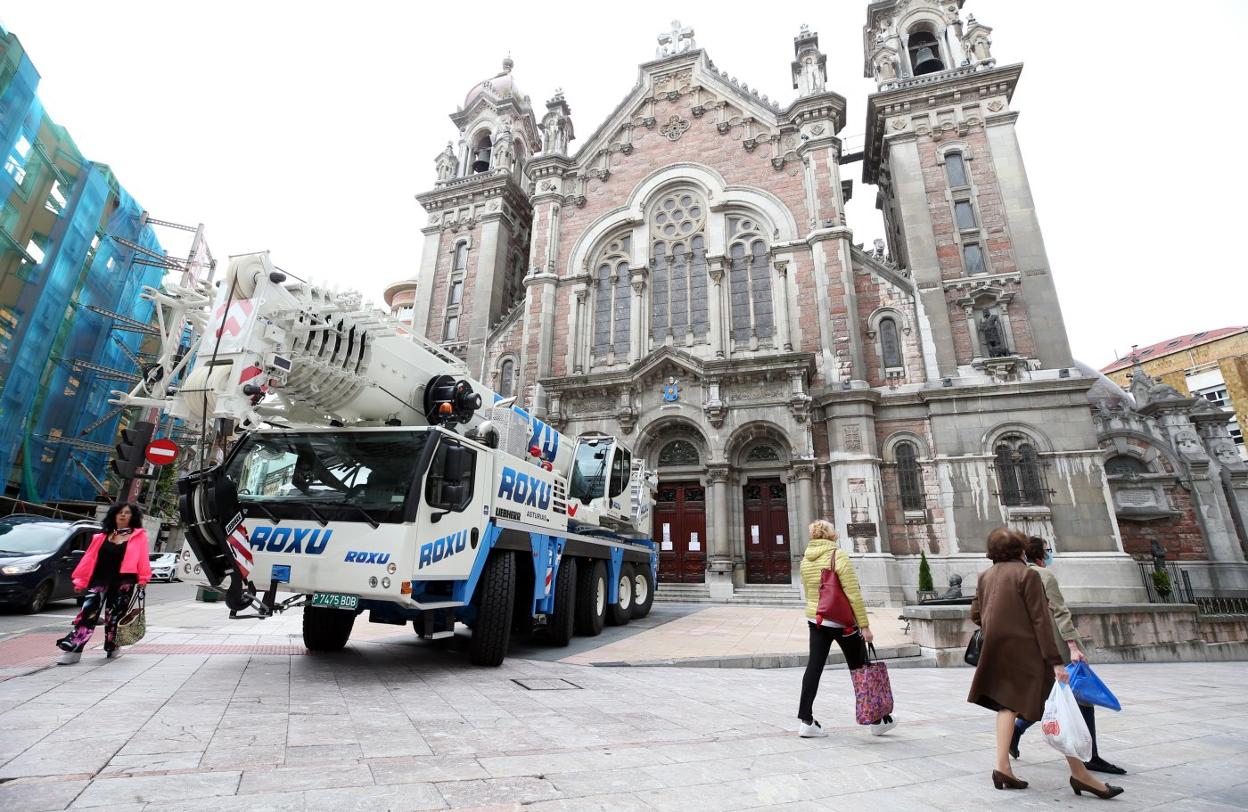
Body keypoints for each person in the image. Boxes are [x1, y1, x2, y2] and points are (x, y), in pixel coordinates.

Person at [968, 527, 1123, 799]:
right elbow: (1040, 621)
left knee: (1008, 705)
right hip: (1029, 653)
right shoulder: (1026, 574)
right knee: (1058, 708)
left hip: (997, 650)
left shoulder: (985, 576)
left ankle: (1002, 767)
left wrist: (998, 626)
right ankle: (1081, 775)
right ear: (1021, 550)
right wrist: (1056, 662)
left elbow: (976, 614)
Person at [1012, 537, 1125, 775]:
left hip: (1032, 647)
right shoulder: (1044, 576)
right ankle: (1090, 756)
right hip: (1056, 645)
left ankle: (1016, 731)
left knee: (1052, 697)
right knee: (1081, 698)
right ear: (1039, 555)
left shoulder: (1018, 576)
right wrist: (1073, 646)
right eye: (1046, 551)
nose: (1049, 555)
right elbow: (1061, 613)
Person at [797, 520, 895, 738]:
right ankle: (877, 720)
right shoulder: (837, 555)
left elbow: (811, 591)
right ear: (831, 535)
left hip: (817, 620)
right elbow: (853, 593)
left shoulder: (805, 559)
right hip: (843, 623)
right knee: (860, 668)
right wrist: (865, 626)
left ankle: (806, 720)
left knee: (814, 667)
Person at [56, 502, 151, 664]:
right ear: (113, 515)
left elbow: (143, 559)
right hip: (99, 580)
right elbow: (88, 560)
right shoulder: (100, 537)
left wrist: (143, 579)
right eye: (119, 512)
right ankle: (73, 649)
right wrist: (80, 580)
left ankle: (113, 646)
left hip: (124, 583)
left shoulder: (139, 537)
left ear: (132, 516)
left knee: (115, 616)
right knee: (87, 613)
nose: (122, 515)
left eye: (127, 513)